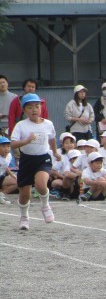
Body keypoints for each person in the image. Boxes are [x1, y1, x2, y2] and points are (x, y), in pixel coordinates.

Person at [9, 93, 60, 230]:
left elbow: (52, 138)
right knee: (25, 195)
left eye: (37, 106)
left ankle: (45, 206)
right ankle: (24, 217)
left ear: (41, 108)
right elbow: (13, 144)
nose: (34, 110)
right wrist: (26, 141)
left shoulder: (48, 124)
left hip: (43, 158)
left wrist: (55, 152)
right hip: (26, 160)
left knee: (41, 184)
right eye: (30, 107)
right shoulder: (21, 125)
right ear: (24, 110)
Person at [0, 135, 17, 204]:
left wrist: (12, 174)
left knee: (18, 181)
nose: (6, 148)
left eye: (8, 146)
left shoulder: (9, 156)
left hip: (1, 177)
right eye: (3, 146)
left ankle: (1, 195)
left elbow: (5, 166)